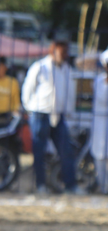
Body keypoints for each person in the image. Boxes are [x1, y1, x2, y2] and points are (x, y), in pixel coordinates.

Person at [22, 40, 79, 194]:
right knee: (39, 151)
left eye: (66, 52)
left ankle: (70, 185)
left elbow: (70, 93)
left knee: (66, 150)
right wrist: (30, 108)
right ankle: (40, 185)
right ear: (53, 51)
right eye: (62, 52)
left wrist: (69, 111)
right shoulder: (40, 67)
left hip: (59, 115)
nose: (65, 55)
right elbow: (28, 89)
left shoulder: (67, 69)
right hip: (40, 114)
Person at [91, 54, 108, 194]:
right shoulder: (99, 80)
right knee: (100, 155)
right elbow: (103, 98)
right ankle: (102, 186)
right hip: (100, 122)